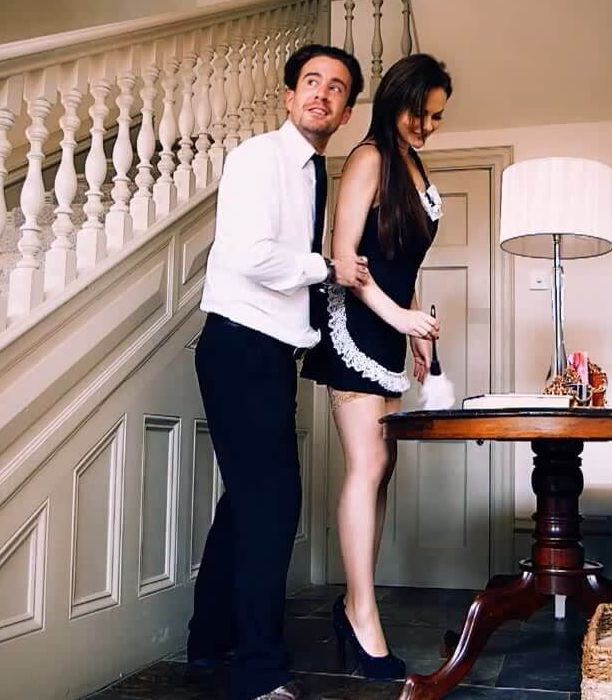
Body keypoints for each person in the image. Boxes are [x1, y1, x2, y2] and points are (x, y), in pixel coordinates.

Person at [187, 43, 368, 700]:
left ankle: (209, 643)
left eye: (336, 87)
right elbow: (249, 254)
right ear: (289, 97)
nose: (322, 93)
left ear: (346, 112)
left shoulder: (313, 172)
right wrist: (328, 268)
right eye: (311, 82)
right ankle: (259, 673)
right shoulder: (260, 158)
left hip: (266, 353)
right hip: (241, 347)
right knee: (272, 507)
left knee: (246, 503)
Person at [300, 53, 452, 680]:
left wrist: (418, 331)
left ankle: (353, 605)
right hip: (356, 325)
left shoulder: (415, 164)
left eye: (438, 117)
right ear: (395, 101)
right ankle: (362, 615)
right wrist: (399, 318)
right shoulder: (368, 159)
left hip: (390, 327)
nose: (428, 125)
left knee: (383, 469)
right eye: (421, 113)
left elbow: (401, 263)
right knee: (368, 465)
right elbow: (346, 258)